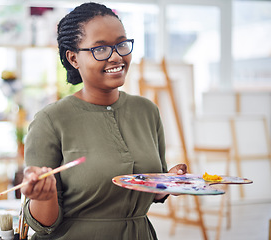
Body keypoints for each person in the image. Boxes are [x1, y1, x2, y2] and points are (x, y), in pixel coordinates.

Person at [21, 2, 187, 239]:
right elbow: (43, 224)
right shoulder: (50, 120)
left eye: (121, 44)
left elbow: (149, 190)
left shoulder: (147, 111)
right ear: (73, 58)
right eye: (101, 49)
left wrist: (166, 182)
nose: (117, 56)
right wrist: (43, 196)